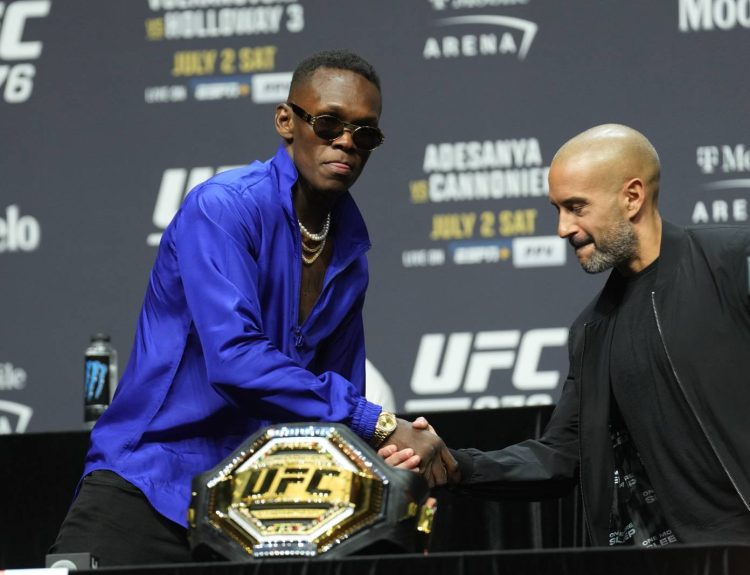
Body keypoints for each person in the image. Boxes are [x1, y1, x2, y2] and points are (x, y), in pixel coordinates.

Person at [50, 49, 453, 567]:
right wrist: (379, 423)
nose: (346, 142)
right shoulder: (223, 207)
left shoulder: (351, 252)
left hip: (253, 510)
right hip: (149, 490)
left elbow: (334, 408)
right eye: (329, 123)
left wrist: (396, 457)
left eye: (365, 133)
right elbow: (235, 359)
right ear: (286, 120)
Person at [385, 124, 750, 546]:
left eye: (576, 207)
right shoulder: (591, 330)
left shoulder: (732, 263)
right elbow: (560, 457)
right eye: (557, 209)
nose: (563, 228)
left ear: (632, 197)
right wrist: (457, 466)